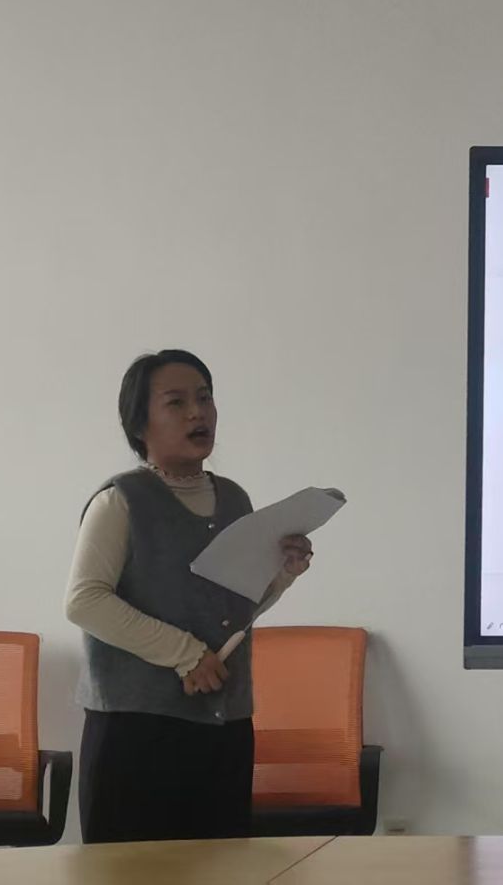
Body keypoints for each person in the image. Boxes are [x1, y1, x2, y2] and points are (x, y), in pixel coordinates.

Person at [65, 350, 322, 844]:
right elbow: (84, 600)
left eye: (204, 398)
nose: (197, 413)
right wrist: (184, 654)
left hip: (224, 727)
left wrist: (283, 574)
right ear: (139, 423)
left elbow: (233, 606)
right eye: (176, 402)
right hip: (134, 731)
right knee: (131, 875)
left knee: (222, 868)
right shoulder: (119, 501)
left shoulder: (235, 500)